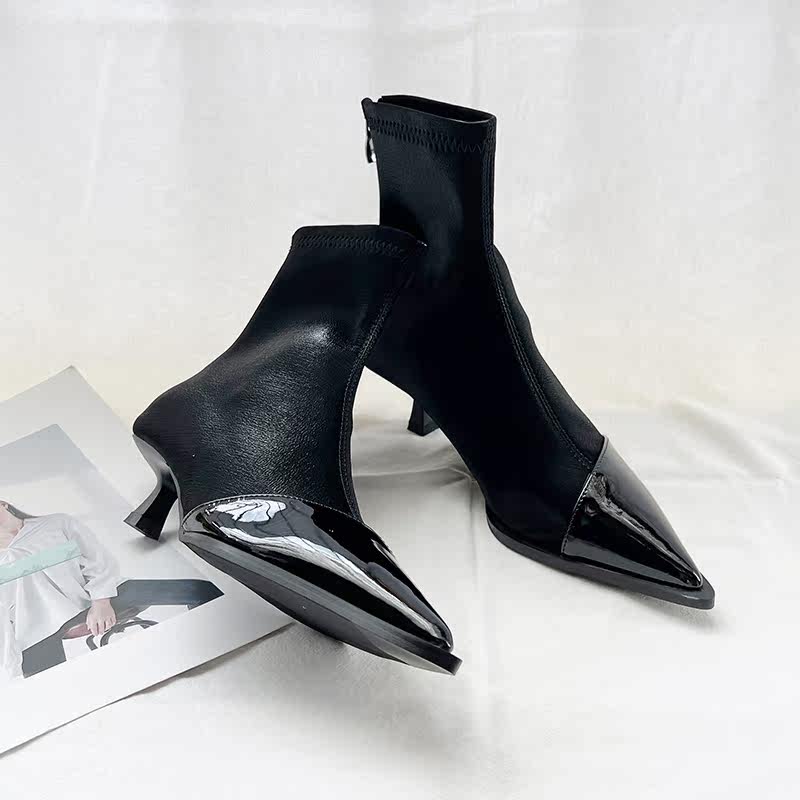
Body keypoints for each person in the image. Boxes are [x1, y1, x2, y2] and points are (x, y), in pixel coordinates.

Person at [0, 501, 221, 680]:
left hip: (100, 598)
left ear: (3, 504)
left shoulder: (56, 524)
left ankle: (203, 643)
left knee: (201, 589)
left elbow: (98, 560)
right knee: (50, 692)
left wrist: (100, 603)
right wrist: (10, 665)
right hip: (39, 631)